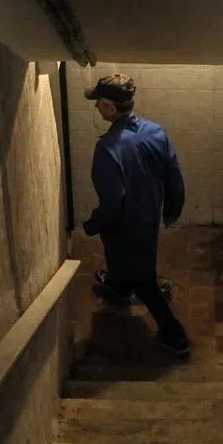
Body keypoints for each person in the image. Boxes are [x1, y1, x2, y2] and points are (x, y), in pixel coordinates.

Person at [81, 73, 191, 356]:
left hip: (123, 226)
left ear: (109, 107)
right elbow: (174, 175)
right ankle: (119, 287)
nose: (96, 108)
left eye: (99, 103)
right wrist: (172, 210)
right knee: (134, 265)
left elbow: (113, 201)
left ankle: (175, 336)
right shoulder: (155, 132)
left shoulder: (107, 148)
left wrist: (94, 223)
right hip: (148, 218)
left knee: (144, 280)